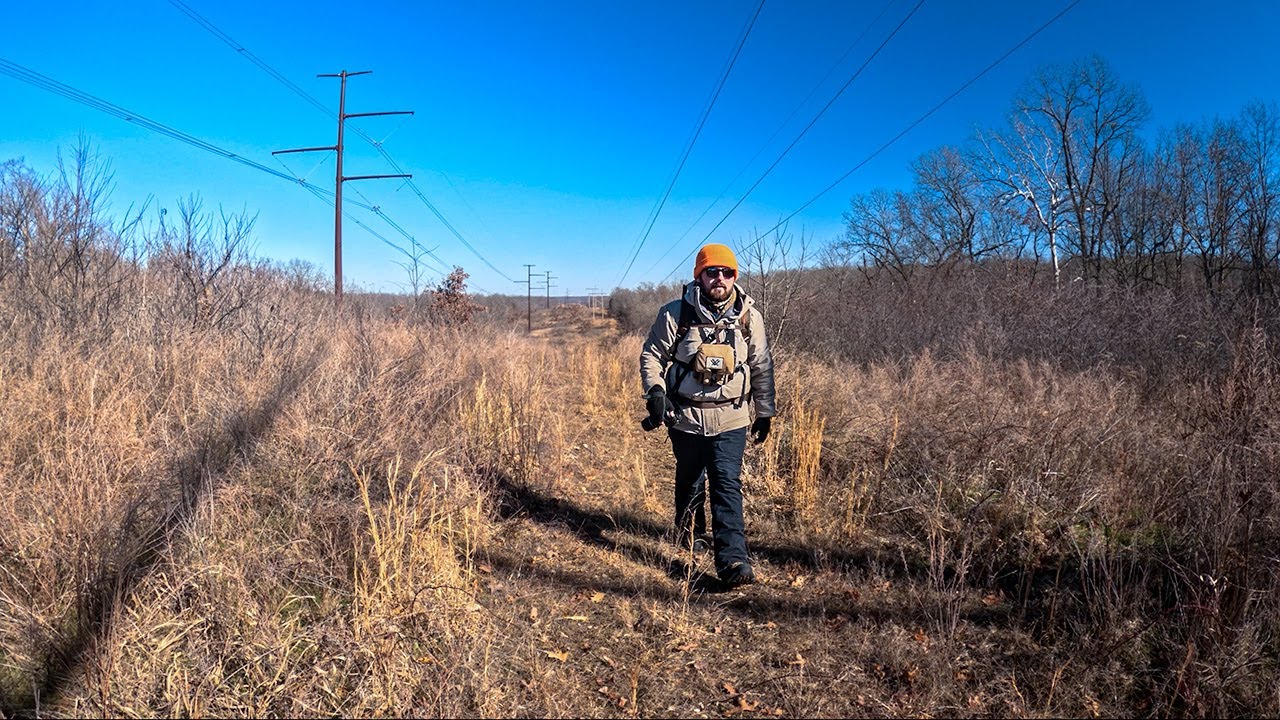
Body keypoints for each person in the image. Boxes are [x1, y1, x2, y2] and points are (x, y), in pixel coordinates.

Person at [639, 243, 776, 588]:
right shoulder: (675, 314)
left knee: (726, 483)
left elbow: (761, 365)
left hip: (732, 417)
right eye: (711, 272)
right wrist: (656, 391)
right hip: (685, 417)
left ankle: (733, 560)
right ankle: (690, 532)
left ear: (734, 278)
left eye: (727, 272)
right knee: (689, 477)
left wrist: (764, 411)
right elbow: (652, 356)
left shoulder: (749, 317)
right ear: (698, 276)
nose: (719, 278)